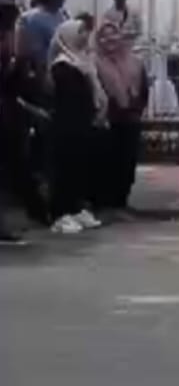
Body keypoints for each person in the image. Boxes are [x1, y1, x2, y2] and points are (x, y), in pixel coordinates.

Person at [47, 17, 104, 234]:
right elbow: (69, 97)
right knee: (65, 169)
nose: (84, 36)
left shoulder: (84, 61)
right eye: (79, 31)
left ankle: (77, 208)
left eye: (85, 31)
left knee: (81, 169)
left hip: (83, 124)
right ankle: (60, 214)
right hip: (66, 126)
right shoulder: (62, 64)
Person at [0, 0, 47, 242]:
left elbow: (11, 88)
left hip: (9, 113)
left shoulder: (9, 43)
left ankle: (34, 212)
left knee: (15, 166)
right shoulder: (6, 44)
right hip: (6, 115)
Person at [91, 17, 147, 215]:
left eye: (113, 34)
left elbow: (143, 89)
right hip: (108, 120)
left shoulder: (136, 62)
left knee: (128, 160)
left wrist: (136, 108)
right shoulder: (94, 62)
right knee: (108, 161)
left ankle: (121, 200)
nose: (110, 40)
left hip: (131, 118)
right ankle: (107, 202)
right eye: (103, 37)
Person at [18, 0, 68, 73]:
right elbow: (30, 51)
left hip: (62, 68)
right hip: (41, 69)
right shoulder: (32, 18)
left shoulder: (62, 15)